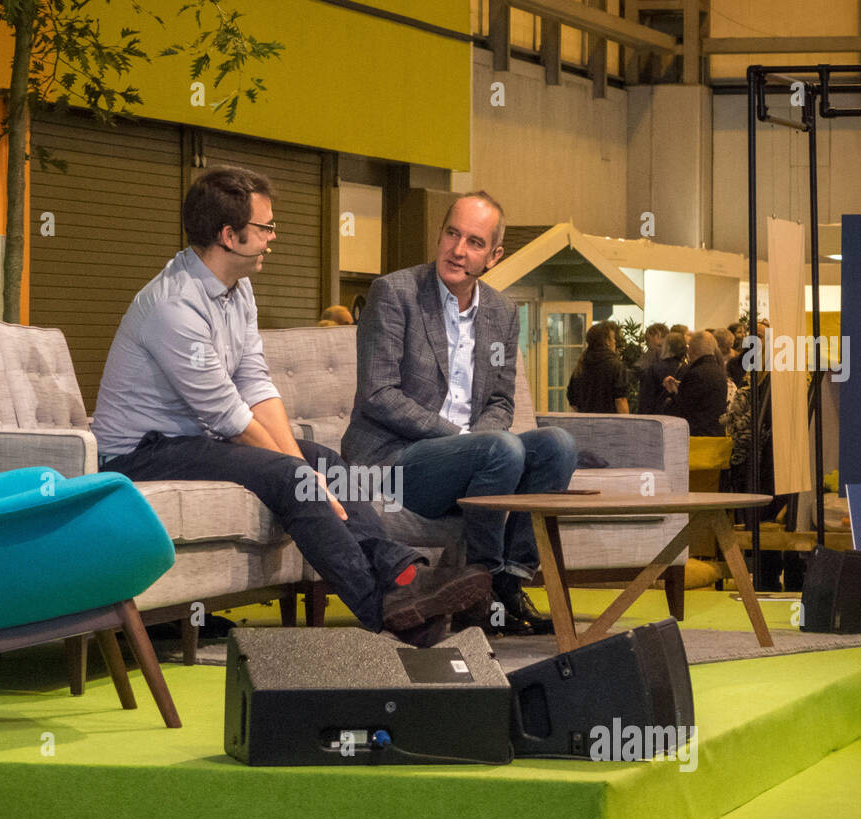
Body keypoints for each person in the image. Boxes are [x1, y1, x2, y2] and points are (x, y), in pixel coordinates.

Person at [90, 166, 490, 646]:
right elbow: (228, 414)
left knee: (326, 463)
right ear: (228, 235)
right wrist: (297, 472)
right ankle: (383, 605)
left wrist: (306, 466)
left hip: (196, 440)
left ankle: (402, 579)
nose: (272, 237)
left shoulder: (238, 289)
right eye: (265, 227)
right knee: (291, 476)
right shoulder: (173, 306)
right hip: (141, 454)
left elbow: (255, 383)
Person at [342, 191, 578, 636]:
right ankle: (480, 583)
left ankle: (509, 581)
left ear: (493, 255)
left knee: (557, 446)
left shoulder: (502, 313)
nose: (458, 250)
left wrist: (480, 445)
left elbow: (501, 402)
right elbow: (378, 394)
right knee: (499, 448)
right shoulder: (396, 293)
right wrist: (462, 441)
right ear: (440, 235)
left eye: (474, 242)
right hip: (395, 461)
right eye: (452, 234)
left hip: (474, 457)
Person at [567, 322, 629, 414]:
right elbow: (620, 401)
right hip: (610, 424)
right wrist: (626, 425)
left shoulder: (580, 366)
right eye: (612, 338)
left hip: (585, 424)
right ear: (606, 341)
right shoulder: (616, 366)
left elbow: (573, 401)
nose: (615, 341)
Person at [638, 330, 684, 415]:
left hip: (659, 417)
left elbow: (646, 400)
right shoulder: (688, 369)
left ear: (667, 347)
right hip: (680, 419)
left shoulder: (655, 369)